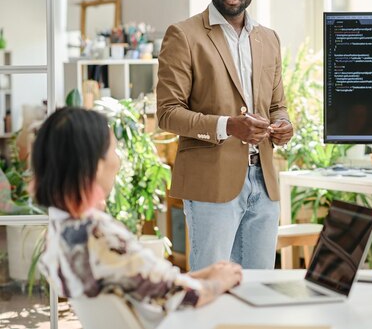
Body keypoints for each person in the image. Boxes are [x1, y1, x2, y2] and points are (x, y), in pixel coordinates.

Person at [34, 107, 242, 326]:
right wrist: (220, 282)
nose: (118, 162)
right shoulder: (99, 234)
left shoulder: (60, 231)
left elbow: (151, 283)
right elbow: (183, 296)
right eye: (113, 150)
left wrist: (209, 273)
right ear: (95, 165)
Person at [157, 0, 293, 271]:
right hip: (211, 184)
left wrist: (283, 124)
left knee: (259, 289)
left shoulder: (269, 39)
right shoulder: (184, 36)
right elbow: (167, 112)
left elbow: (277, 106)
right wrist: (228, 126)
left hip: (265, 181)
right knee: (212, 288)